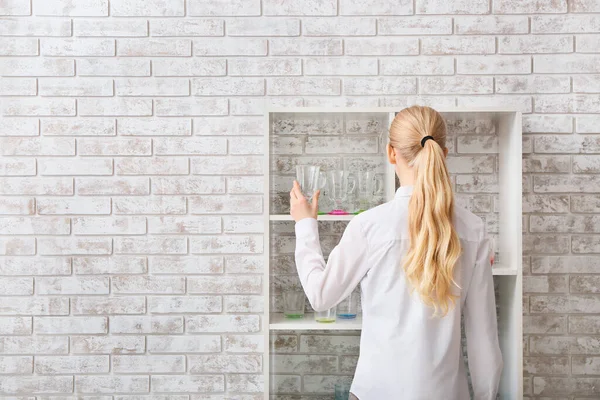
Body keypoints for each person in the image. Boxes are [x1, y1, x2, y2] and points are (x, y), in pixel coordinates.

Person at [289, 106, 503, 400]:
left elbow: (321, 296)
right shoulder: (474, 230)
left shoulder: (369, 226)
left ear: (392, 153)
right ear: (444, 152)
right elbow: (484, 341)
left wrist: (305, 225)